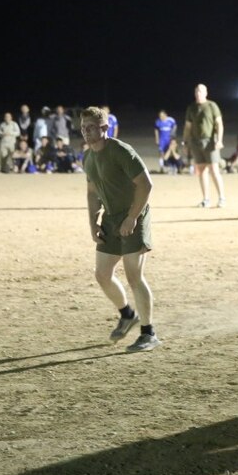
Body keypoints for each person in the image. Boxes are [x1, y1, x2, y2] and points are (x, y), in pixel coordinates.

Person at [80, 106, 160, 352]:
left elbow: (146, 185)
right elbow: (93, 193)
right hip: (110, 219)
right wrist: (93, 224)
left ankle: (148, 333)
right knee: (102, 274)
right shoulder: (88, 156)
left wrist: (132, 217)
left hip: (134, 215)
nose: (86, 132)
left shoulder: (121, 151)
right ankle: (127, 314)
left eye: (91, 127)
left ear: (105, 127)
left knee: (133, 275)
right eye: (83, 128)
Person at [183, 83, 226, 208]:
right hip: (195, 142)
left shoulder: (212, 106)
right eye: (196, 91)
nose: (198, 94)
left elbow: (219, 124)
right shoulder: (191, 108)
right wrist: (185, 143)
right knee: (201, 171)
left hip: (210, 142)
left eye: (201, 91)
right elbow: (187, 127)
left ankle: (222, 197)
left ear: (206, 93)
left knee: (214, 170)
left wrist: (219, 140)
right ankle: (206, 199)